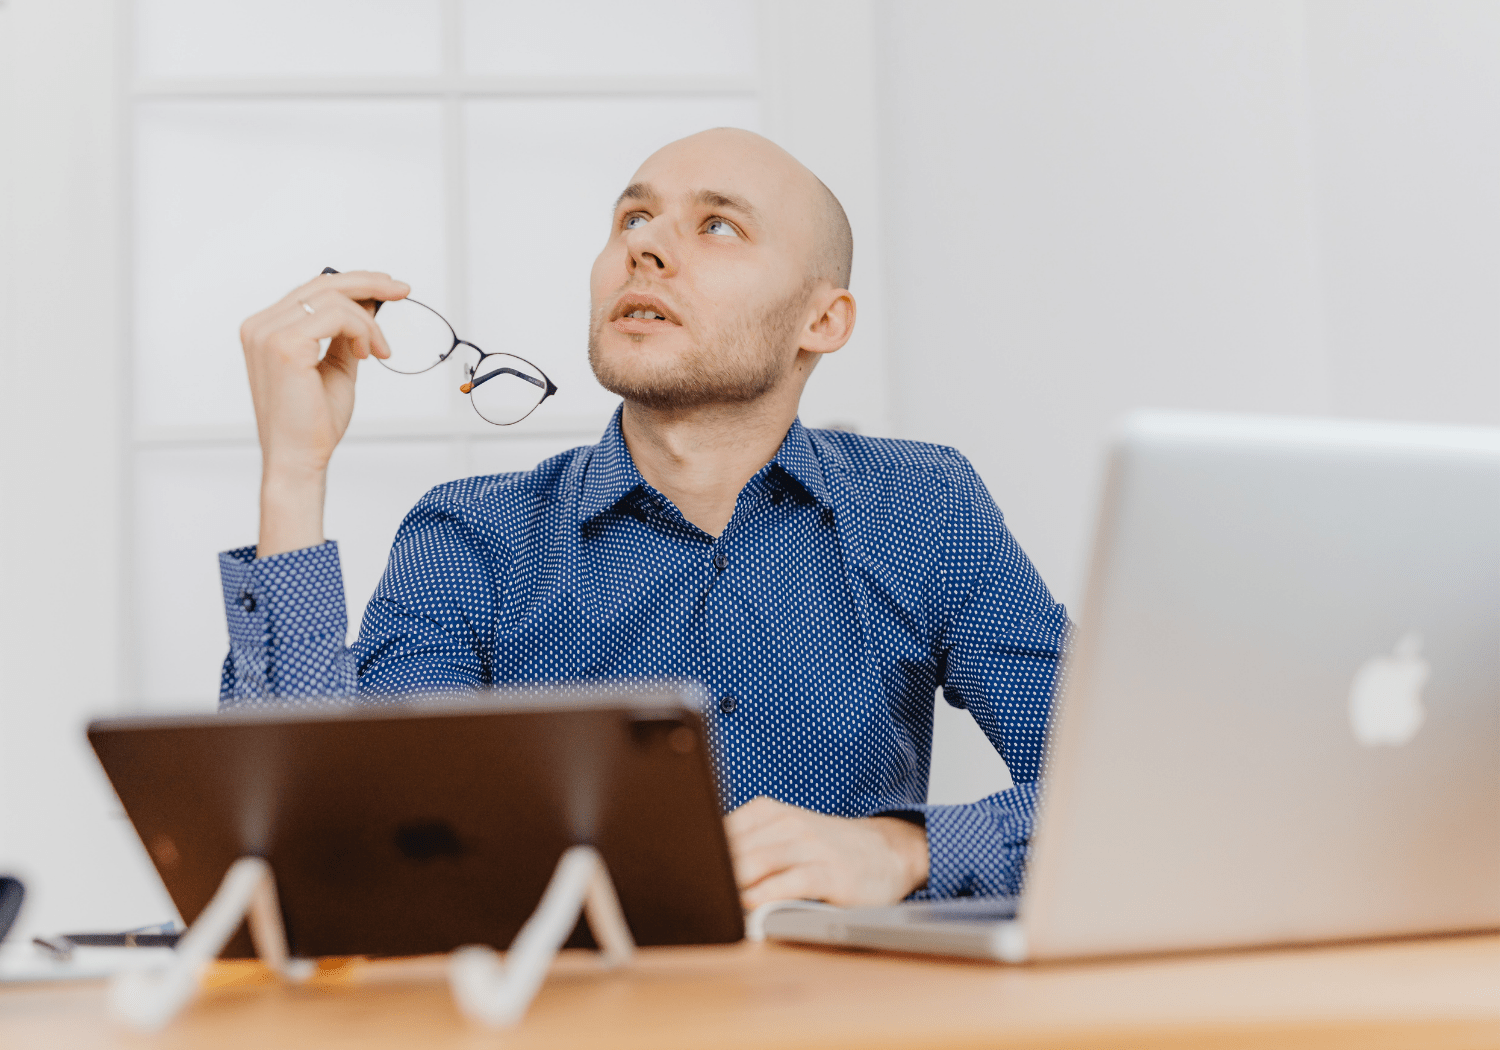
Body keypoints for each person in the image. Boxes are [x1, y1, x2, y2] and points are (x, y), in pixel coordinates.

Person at [224, 127, 1069, 910]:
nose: (644, 247)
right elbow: (334, 860)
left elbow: (1125, 798)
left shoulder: (924, 508)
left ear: (822, 320)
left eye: (719, 226)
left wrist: (905, 850)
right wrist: (294, 477)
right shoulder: (471, 538)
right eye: (632, 218)